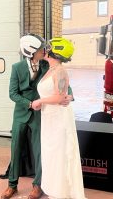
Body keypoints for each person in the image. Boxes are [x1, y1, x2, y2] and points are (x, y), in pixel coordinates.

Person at [1, 33, 73, 199]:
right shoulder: (16, 67)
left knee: (39, 151)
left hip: (42, 116)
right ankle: (12, 185)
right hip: (20, 115)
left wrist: (70, 96)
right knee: (16, 150)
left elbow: (64, 86)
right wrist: (29, 104)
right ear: (30, 51)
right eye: (41, 49)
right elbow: (12, 93)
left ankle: (37, 185)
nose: (44, 51)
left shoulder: (47, 65)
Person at [32, 37, 86, 199]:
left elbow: (60, 97)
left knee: (59, 155)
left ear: (54, 52)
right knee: (51, 155)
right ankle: (54, 190)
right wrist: (44, 102)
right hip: (49, 117)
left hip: (58, 119)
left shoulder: (60, 71)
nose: (45, 49)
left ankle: (61, 193)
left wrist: (39, 101)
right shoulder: (51, 69)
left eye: (48, 48)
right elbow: (58, 95)